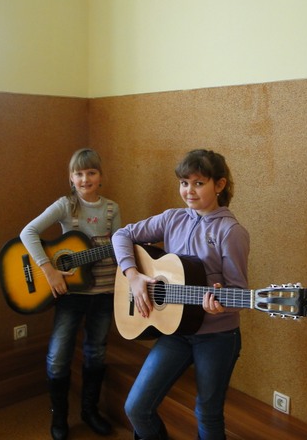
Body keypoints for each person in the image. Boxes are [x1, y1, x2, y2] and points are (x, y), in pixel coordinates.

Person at [112, 149, 250, 440]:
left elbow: (238, 292)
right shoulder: (172, 218)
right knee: (136, 408)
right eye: (184, 183)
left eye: (198, 183)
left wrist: (221, 305)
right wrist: (133, 276)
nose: (189, 190)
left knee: (208, 413)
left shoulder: (231, 232)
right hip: (176, 332)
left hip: (217, 336)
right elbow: (121, 235)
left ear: (220, 185)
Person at [20, 148, 121, 440]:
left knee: (96, 352)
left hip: (104, 292)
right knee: (58, 356)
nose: (85, 178)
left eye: (91, 172)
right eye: (79, 173)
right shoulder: (66, 205)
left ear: (100, 176)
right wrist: (49, 270)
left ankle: (90, 411)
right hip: (70, 294)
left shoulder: (112, 208)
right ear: (71, 178)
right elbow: (28, 232)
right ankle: (60, 417)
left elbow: (120, 247)